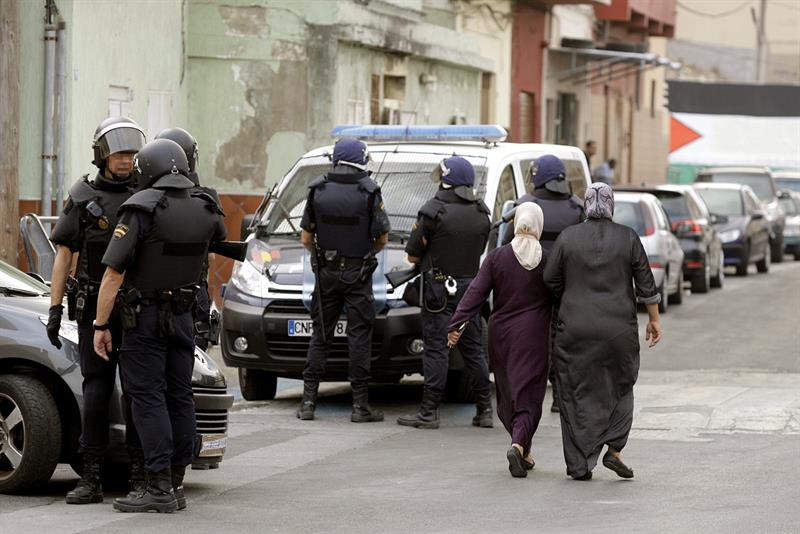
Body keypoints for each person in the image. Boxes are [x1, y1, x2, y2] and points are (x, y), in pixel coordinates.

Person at [93, 138, 227, 512]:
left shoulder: (140, 208)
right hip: (183, 315)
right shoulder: (206, 206)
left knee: (147, 397)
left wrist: (100, 324)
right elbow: (217, 240)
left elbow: (112, 275)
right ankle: (177, 481)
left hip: (145, 319)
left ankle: (158, 487)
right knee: (179, 395)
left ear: (147, 170)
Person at [47, 116, 146, 505]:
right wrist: (55, 308)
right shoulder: (83, 197)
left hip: (137, 308)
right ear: (102, 154)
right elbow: (63, 255)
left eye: (131, 152)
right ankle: (91, 478)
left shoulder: (148, 192)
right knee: (96, 391)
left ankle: (140, 475)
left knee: (139, 392)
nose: (126, 159)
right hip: (92, 308)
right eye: (119, 152)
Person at [543, 182, 663, 481]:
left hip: (575, 328)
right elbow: (646, 284)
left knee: (573, 390)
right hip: (617, 330)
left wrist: (568, 297)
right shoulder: (628, 237)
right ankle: (614, 448)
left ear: (585, 205)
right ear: (612, 205)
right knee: (622, 384)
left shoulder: (568, 237)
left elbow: (550, 279)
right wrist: (654, 319)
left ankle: (579, 464)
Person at [447, 203, 552, 477]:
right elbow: (563, 299)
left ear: (516, 222)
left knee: (507, 394)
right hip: (534, 335)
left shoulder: (497, 257)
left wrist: (457, 322)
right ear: (539, 224)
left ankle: (522, 448)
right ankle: (519, 444)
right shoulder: (549, 259)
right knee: (529, 394)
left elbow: (474, 293)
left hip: (501, 334)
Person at [296, 138, 391, 422]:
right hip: (358, 274)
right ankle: (360, 406)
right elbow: (383, 238)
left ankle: (308, 403)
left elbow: (305, 237)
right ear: (360, 159)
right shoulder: (370, 191)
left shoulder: (317, 189)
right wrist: (363, 255)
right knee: (359, 337)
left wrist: (325, 258)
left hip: (325, 274)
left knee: (320, 336)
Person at [397, 156, 493, 430]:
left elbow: (413, 256)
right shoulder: (481, 212)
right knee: (474, 350)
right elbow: (479, 248)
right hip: (470, 291)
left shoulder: (432, 211)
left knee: (437, 350)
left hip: (438, 292)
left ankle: (429, 412)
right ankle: (485, 410)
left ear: (447, 179)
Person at [500, 154, 585, 413]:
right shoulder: (577, 208)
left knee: (529, 341)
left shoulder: (526, 205)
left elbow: (506, 245)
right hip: (566, 285)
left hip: (530, 283)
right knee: (562, 340)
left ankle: (525, 397)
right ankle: (560, 396)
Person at [154, 127, 220, 350]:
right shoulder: (205, 198)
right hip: (192, 290)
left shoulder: (146, 198)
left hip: (152, 295)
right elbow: (212, 253)